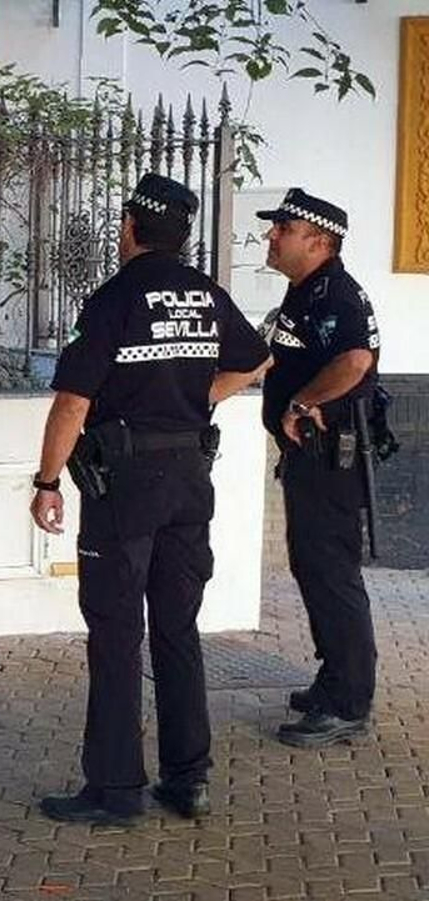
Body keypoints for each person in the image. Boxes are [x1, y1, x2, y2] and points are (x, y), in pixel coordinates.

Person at [29, 173, 271, 826]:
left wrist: (47, 481)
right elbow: (257, 360)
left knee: (115, 634)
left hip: (124, 487)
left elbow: (74, 402)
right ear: (182, 233)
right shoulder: (207, 295)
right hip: (190, 478)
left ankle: (114, 790)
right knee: (176, 627)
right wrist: (199, 400)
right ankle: (187, 778)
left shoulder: (115, 299)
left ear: (131, 227)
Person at [257, 188, 382, 748]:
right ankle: (335, 679)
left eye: (282, 228)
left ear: (318, 240)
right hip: (312, 455)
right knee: (315, 568)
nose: (271, 235)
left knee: (331, 573)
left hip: (330, 454)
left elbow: (356, 360)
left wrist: (302, 402)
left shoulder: (334, 293)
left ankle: (348, 701)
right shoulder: (308, 290)